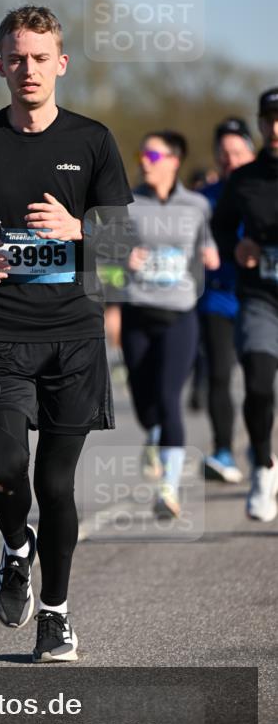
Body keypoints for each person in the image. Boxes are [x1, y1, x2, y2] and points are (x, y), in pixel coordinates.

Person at [0, 6, 133, 662]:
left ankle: (56, 614)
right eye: (15, 58)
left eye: (40, 57)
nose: (28, 69)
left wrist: (78, 231)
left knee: (56, 485)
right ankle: (16, 546)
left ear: (60, 64)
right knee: (4, 470)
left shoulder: (92, 140)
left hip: (73, 334)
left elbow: (122, 245)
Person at [121, 131, 219, 516]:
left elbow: (206, 244)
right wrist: (120, 259)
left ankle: (169, 489)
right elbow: (103, 258)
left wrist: (209, 254)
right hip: (137, 311)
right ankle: (153, 433)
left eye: (153, 155)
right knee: (146, 407)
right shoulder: (126, 202)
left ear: (174, 160)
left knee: (168, 399)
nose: (144, 160)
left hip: (180, 314)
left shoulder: (197, 205)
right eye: (141, 153)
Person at [212, 87, 278, 523]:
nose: (276, 128)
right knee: (257, 383)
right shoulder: (244, 179)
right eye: (269, 120)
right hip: (260, 297)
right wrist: (238, 249)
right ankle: (263, 467)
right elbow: (221, 228)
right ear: (259, 125)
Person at [198, 119, 255, 482]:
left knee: (259, 380)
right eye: (224, 153)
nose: (230, 159)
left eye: (237, 152)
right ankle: (223, 452)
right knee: (218, 375)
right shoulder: (205, 199)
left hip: (259, 298)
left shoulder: (266, 189)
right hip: (217, 299)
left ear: (251, 152)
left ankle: (259, 442)